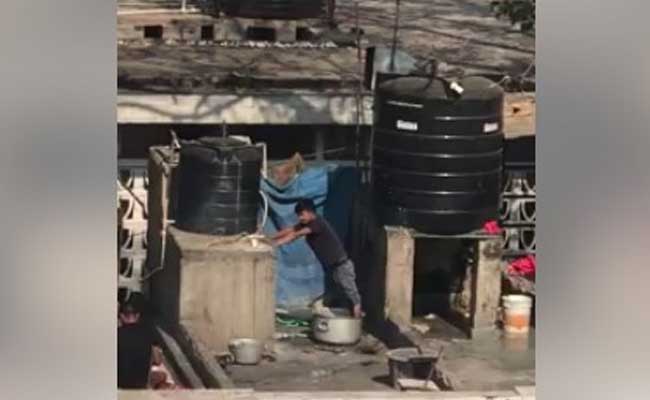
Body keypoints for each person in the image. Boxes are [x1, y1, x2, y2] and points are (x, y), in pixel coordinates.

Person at [273, 198, 363, 318]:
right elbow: (290, 230)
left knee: (352, 296)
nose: (300, 218)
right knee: (338, 295)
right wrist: (269, 237)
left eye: (302, 214)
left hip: (342, 266)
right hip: (332, 267)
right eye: (298, 215)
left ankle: (357, 319)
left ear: (310, 212)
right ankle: (341, 318)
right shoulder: (307, 223)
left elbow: (295, 234)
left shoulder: (317, 223)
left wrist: (274, 244)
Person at [117, 292, 159, 389]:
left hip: (120, 384)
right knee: (162, 376)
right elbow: (157, 360)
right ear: (137, 316)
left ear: (122, 316)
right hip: (141, 385)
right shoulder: (149, 333)